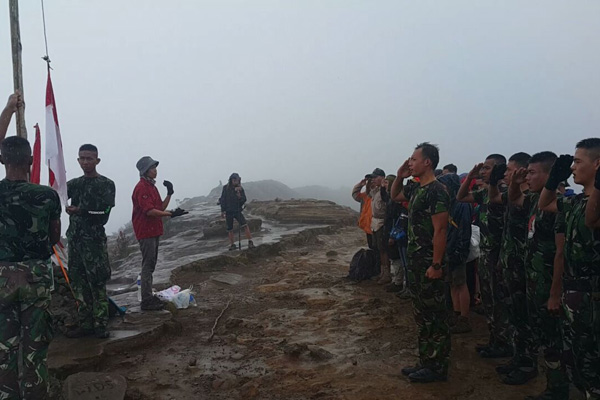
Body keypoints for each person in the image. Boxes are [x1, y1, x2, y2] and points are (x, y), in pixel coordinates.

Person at [0, 136, 61, 399]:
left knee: (4, 350)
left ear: (2, 160)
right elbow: (55, 237)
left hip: (2, 278)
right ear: (31, 160)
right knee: (35, 352)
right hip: (36, 277)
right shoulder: (46, 195)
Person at [540, 139, 600, 399]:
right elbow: (545, 204)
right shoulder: (574, 202)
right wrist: (553, 179)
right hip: (573, 293)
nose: (573, 167)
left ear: (597, 164)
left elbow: (592, 218)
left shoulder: (591, 205)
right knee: (577, 360)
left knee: (593, 365)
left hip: (593, 296)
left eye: (578, 161)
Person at [509, 151, 570, 400]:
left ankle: (558, 389)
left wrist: (555, 293)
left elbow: (561, 253)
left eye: (533, 172)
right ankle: (552, 385)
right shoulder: (536, 200)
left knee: (554, 340)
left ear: (549, 174)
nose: (529, 177)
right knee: (544, 336)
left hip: (549, 284)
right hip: (535, 282)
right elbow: (515, 199)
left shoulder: (560, 204)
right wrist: (515, 182)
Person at [391, 142, 451, 383]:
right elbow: (395, 196)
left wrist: (436, 265)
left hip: (429, 264)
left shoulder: (437, 190)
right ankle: (426, 360)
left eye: (414, 159)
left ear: (428, 162)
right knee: (422, 315)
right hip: (416, 263)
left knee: (435, 316)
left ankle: (437, 367)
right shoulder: (416, 189)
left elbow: (441, 230)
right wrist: (399, 176)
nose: (410, 163)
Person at [489, 152, 537, 384]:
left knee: (525, 318)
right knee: (515, 316)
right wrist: (493, 182)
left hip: (526, 269)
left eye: (510, 170)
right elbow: (496, 199)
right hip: (510, 264)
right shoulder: (513, 194)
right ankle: (519, 357)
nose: (506, 174)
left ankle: (528, 364)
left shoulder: (536, 198)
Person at [457, 154, 510, 357]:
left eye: (487, 168)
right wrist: (470, 176)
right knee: (489, 299)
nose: (483, 171)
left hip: (499, 253)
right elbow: (461, 197)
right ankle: (494, 340)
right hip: (486, 252)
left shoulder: (504, 193)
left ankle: (504, 344)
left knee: (500, 301)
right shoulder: (484, 193)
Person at [64, 144, 116, 339]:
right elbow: (56, 194)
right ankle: (85, 323)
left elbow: (104, 214)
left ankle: (101, 325)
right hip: (75, 242)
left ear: (97, 160)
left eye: (89, 158)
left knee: (97, 283)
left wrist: (81, 211)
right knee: (78, 283)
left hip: (94, 242)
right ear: (77, 160)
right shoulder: (74, 184)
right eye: (82, 158)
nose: (85, 162)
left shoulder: (106, 184)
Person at [132, 156, 187, 311]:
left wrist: (169, 194)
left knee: (151, 263)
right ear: (145, 170)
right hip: (145, 230)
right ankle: (147, 300)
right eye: (152, 168)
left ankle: (148, 296)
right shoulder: (142, 187)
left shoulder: (152, 187)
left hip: (154, 229)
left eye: (155, 167)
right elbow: (149, 211)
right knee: (148, 264)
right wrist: (171, 214)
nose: (155, 170)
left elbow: (159, 208)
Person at [438, 173, 473, 334]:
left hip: (458, 248)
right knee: (452, 283)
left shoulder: (462, 204)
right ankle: (456, 314)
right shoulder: (448, 203)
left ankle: (464, 318)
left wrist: (460, 250)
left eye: (443, 186)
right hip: (448, 248)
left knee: (460, 283)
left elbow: (465, 229)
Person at [219, 173, 255, 250]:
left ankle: (250, 241)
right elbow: (222, 199)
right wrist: (222, 210)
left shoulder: (240, 189)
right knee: (230, 229)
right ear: (231, 180)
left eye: (237, 180)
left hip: (237, 210)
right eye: (234, 180)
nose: (236, 182)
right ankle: (232, 244)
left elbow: (244, 199)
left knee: (245, 225)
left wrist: (239, 197)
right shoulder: (226, 188)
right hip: (228, 211)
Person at [367, 168, 391, 284]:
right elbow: (367, 193)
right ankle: (382, 272)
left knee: (383, 249)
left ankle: (387, 274)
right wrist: (367, 183)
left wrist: (383, 187)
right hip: (375, 222)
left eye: (375, 177)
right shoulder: (375, 191)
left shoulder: (385, 190)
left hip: (382, 222)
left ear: (382, 177)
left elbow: (387, 199)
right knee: (378, 248)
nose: (373, 180)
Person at [352, 176, 374, 248]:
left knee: (379, 249)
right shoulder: (365, 195)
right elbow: (355, 195)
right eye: (370, 181)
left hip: (377, 226)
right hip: (367, 226)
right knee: (371, 248)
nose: (371, 183)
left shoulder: (380, 194)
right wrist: (360, 185)